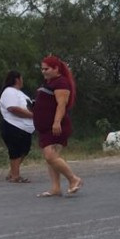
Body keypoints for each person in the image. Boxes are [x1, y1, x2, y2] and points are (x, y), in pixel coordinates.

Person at [33, 55, 83, 198]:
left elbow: (61, 105)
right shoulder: (47, 83)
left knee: (50, 156)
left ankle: (73, 179)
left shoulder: (61, 83)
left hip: (55, 126)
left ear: (56, 69)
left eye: (47, 69)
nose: (44, 71)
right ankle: (55, 188)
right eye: (42, 69)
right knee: (51, 158)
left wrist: (56, 122)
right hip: (44, 127)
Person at [0, 70, 34, 183]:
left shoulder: (20, 93)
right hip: (13, 126)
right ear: (17, 79)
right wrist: (33, 115)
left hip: (25, 128)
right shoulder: (9, 91)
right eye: (21, 78)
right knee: (15, 151)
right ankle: (15, 176)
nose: (22, 80)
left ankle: (12, 172)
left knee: (24, 150)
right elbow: (12, 108)